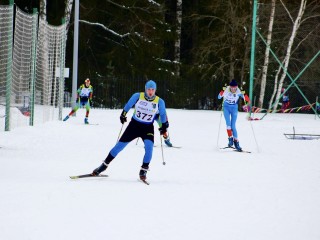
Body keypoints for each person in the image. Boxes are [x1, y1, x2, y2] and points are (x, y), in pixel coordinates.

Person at [91, 80, 169, 181]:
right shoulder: (138, 96)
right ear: (145, 89)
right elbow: (128, 105)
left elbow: (162, 114)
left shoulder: (159, 101)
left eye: (152, 89)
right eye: (148, 89)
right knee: (119, 147)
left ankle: (143, 170)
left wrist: (164, 126)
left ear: (155, 90)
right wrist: (123, 114)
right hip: (134, 126)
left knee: (149, 148)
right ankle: (104, 165)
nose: (150, 92)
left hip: (147, 128)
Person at [218, 79, 249, 151]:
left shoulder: (238, 91)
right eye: (232, 88)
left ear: (236, 87)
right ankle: (230, 139)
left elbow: (248, 100)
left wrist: (244, 94)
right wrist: (222, 91)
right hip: (226, 108)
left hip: (234, 108)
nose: (233, 89)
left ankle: (236, 143)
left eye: (234, 88)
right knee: (228, 125)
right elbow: (219, 97)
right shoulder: (226, 90)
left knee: (233, 126)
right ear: (230, 87)